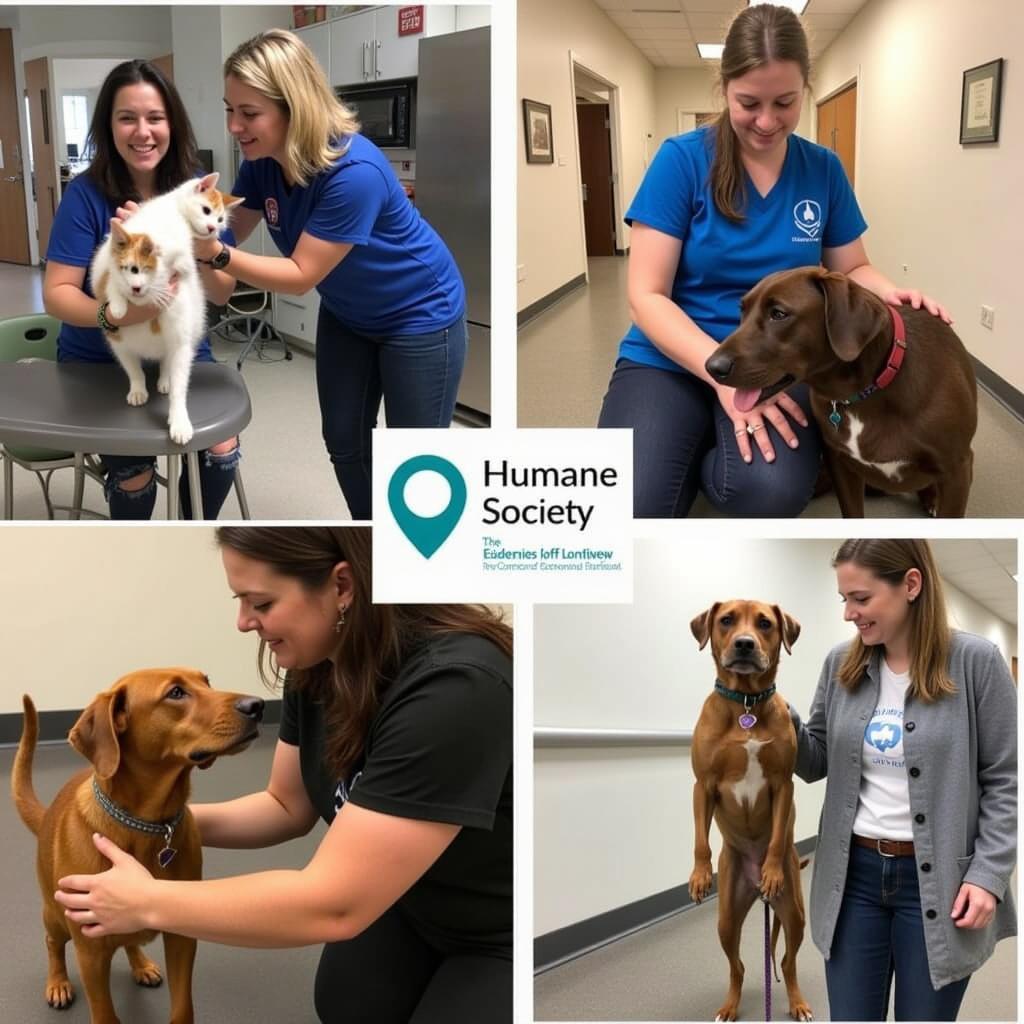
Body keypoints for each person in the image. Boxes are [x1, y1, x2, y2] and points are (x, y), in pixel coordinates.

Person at [55, 526, 512, 1024]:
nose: (243, 622)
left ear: (341, 587)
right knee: (346, 1007)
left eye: (261, 603)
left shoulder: (454, 688)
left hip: (496, 929)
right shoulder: (316, 665)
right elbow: (285, 806)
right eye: (240, 600)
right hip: (405, 898)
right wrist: (141, 824)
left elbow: (333, 906)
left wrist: (147, 903)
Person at [597, 3, 952, 518]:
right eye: (749, 103)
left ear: (805, 90)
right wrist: (718, 379)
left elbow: (852, 267)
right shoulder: (681, 160)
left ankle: (698, 451)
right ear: (724, 90)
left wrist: (888, 291)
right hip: (669, 356)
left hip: (776, 359)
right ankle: (683, 433)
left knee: (770, 492)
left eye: (784, 102)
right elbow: (646, 295)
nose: (767, 121)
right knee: (625, 502)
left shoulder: (822, 169)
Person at [193, 29, 467, 520]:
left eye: (249, 113)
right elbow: (225, 230)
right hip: (348, 312)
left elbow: (299, 274)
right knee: (344, 442)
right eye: (230, 109)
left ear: (293, 107)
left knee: (416, 461)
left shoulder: (353, 170)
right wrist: (188, 231)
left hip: (420, 315)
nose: (234, 125)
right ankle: (376, 539)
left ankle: (419, 556)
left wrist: (215, 254)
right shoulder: (261, 162)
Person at [790, 539, 1016, 1021]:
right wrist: (769, 707)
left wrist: (989, 874)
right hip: (854, 880)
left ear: (911, 585)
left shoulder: (977, 663)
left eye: (861, 598)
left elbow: (1005, 781)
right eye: (844, 599)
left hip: (939, 883)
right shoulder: (840, 665)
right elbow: (815, 760)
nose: (849, 613)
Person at [43, 59, 241, 520]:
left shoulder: (195, 194)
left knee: (220, 453)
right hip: (101, 357)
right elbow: (57, 293)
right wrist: (115, 316)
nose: (142, 131)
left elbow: (222, 293)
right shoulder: (86, 195)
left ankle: (195, 534)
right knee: (135, 475)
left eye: (155, 117)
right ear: (108, 126)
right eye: (126, 118)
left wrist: (196, 246)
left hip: (178, 349)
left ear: (172, 122)